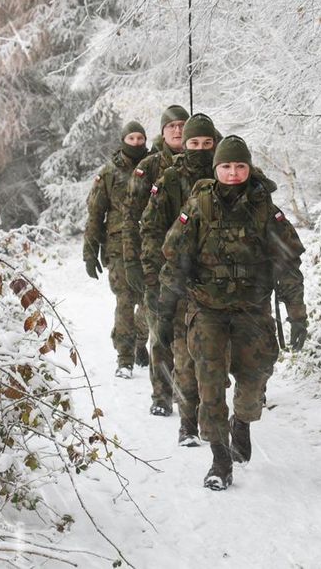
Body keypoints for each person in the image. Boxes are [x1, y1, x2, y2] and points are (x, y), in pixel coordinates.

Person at [158, 135, 308, 490]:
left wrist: (297, 314)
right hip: (207, 311)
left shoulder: (264, 209)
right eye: (226, 166)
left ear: (248, 167)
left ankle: (242, 422)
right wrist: (165, 313)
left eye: (240, 166)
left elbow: (287, 265)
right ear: (216, 168)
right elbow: (174, 261)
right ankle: (220, 460)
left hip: (252, 310)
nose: (233, 172)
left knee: (255, 378)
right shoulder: (197, 207)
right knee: (209, 386)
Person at [139, 113, 218, 431]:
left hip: (210, 279)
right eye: (194, 143)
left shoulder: (223, 175)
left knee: (205, 344)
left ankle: (201, 401)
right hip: (170, 274)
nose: (200, 149)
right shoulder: (169, 179)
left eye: (207, 143)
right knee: (164, 335)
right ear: (184, 145)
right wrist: (152, 274)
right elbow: (150, 228)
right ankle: (162, 393)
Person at [122, 104, 190, 369]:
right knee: (156, 318)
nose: (177, 130)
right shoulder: (149, 166)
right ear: (163, 131)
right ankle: (161, 393)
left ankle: (183, 384)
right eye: (171, 126)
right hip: (155, 256)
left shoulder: (207, 160)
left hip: (191, 258)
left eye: (182, 125)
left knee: (186, 324)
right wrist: (131, 262)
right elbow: (130, 217)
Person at [83, 120, 151, 378]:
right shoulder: (109, 173)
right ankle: (124, 358)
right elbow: (95, 213)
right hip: (118, 248)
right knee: (125, 301)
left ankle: (139, 340)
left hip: (150, 246)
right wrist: (89, 251)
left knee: (149, 302)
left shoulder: (154, 166)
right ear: (123, 140)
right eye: (131, 138)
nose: (136, 143)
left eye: (140, 138)